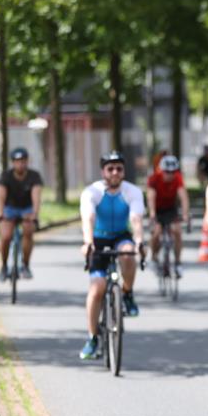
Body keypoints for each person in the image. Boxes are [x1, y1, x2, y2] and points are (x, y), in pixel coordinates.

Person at [78, 152, 145, 360]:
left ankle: (127, 293)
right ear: (103, 171)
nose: (115, 172)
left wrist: (140, 240)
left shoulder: (132, 191)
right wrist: (88, 242)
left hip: (120, 236)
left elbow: (135, 218)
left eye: (119, 168)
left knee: (128, 253)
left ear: (124, 171)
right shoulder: (92, 192)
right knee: (97, 288)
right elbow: (88, 217)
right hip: (98, 238)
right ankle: (92, 337)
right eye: (110, 168)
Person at [0, 147, 43, 281]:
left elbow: (36, 196)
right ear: (13, 163)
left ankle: (25, 265)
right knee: (5, 236)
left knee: (28, 231)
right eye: (17, 161)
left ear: (27, 161)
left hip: (27, 209)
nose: (20, 164)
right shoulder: (6, 176)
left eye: (23, 161)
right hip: (10, 208)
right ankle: (4, 266)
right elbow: (0, 197)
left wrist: (34, 214)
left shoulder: (34, 176)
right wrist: (1, 215)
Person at [147, 155, 190, 276]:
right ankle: (154, 256)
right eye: (167, 172)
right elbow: (151, 197)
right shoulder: (154, 178)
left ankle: (177, 262)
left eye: (173, 172)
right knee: (156, 232)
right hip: (157, 208)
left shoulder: (177, 178)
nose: (170, 175)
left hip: (170, 208)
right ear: (161, 170)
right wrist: (152, 213)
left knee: (177, 231)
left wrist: (185, 214)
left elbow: (183, 197)